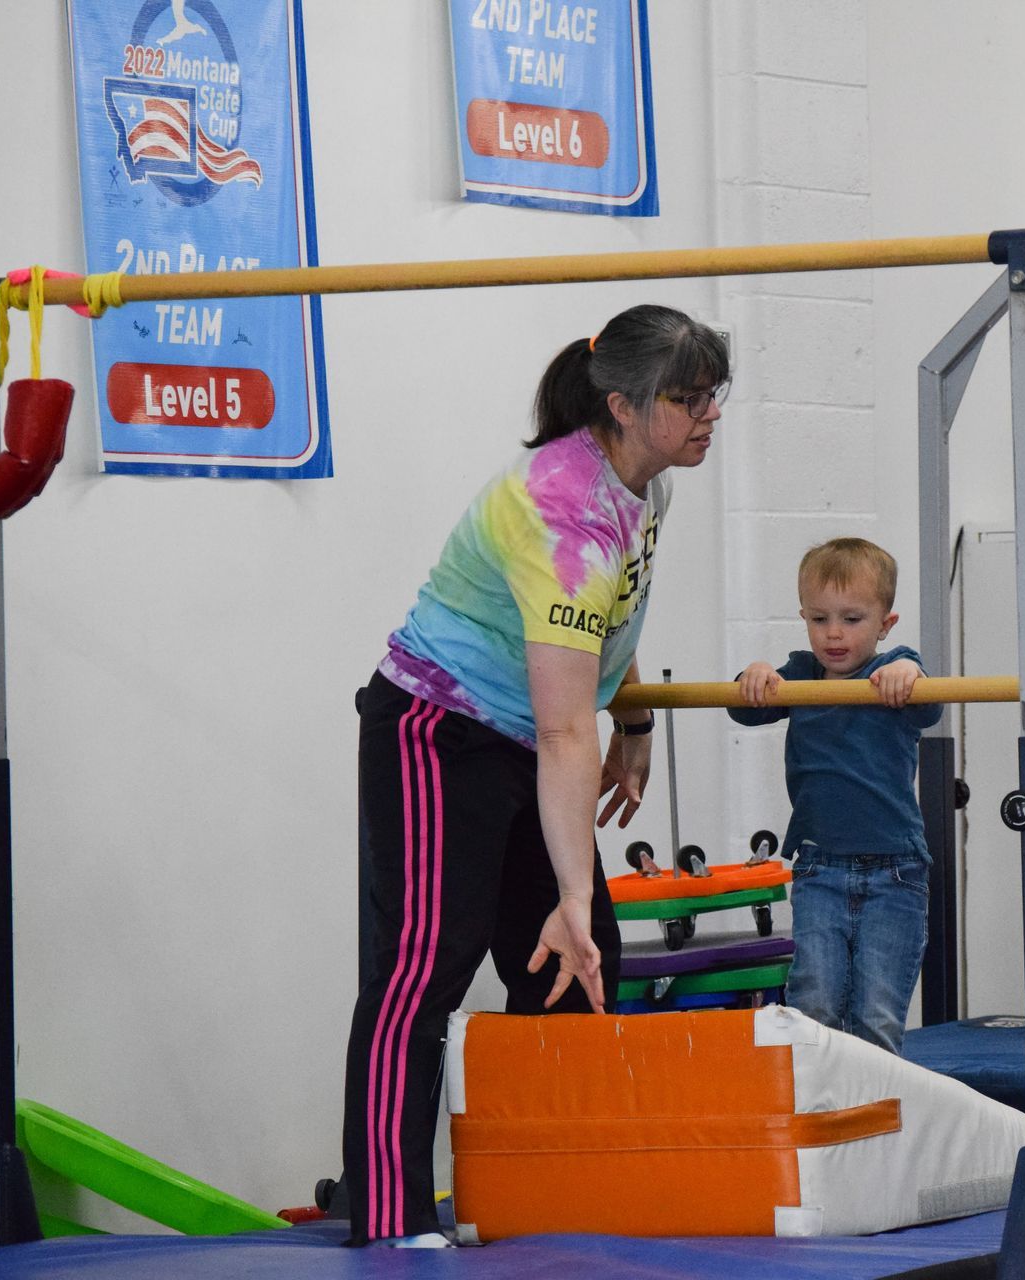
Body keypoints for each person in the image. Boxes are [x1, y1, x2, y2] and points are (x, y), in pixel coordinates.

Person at [340, 304, 730, 1246]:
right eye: (689, 399)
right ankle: (386, 1218)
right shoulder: (562, 517)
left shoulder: (648, 478)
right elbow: (563, 734)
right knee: (425, 964)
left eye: (715, 394)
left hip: (526, 733)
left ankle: (543, 1197)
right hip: (444, 730)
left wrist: (633, 710)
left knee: (574, 965)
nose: (710, 415)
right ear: (624, 406)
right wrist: (569, 888)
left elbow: (613, 620)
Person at [730, 537, 943, 1054]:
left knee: (876, 1013)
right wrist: (753, 675)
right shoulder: (802, 674)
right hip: (819, 869)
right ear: (803, 617)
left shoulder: (891, 672)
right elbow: (745, 710)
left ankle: (878, 1122)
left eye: (852, 619)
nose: (834, 634)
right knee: (815, 1005)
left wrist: (908, 674)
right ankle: (819, 1115)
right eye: (819, 619)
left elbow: (928, 707)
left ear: (885, 623)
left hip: (895, 871)